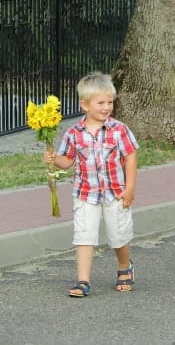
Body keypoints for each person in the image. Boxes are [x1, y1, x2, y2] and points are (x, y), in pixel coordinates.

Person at [43, 72, 139, 297]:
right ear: (85, 105)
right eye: (101, 103)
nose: (106, 107)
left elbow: (130, 157)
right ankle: (83, 281)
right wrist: (53, 158)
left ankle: (125, 266)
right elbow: (67, 161)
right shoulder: (74, 134)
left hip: (115, 192)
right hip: (85, 193)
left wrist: (131, 187)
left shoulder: (119, 130)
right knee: (84, 235)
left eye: (110, 103)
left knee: (118, 236)